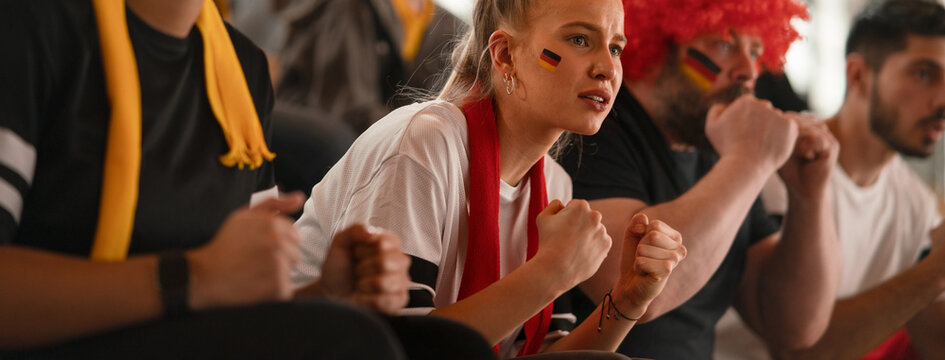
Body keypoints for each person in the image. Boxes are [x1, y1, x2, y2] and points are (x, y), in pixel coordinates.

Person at [0, 1, 488, 358]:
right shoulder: (31, 24)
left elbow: (237, 300)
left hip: (180, 334)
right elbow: (207, 283)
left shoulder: (240, 67)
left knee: (451, 346)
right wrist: (192, 276)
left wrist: (327, 292)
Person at [293, 0, 687, 358]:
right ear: (505, 55)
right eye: (580, 39)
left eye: (616, 47)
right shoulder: (424, 143)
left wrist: (626, 300)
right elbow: (397, 347)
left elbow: (544, 353)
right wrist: (550, 271)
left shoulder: (555, 184)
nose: (608, 67)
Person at [558, 0, 842, 358]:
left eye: (756, 51)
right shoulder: (594, 125)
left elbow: (793, 326)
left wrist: (809, 195)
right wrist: (749, 161)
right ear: (660, 42)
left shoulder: (721, 151)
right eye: (723, 45)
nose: (748, 71)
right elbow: (633, 286)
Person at [714, 1, 945, 359]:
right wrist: (936, 272)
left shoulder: (917, 204)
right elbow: (797, 348)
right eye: (924, 74)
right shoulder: (781, 157)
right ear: (857, 76)